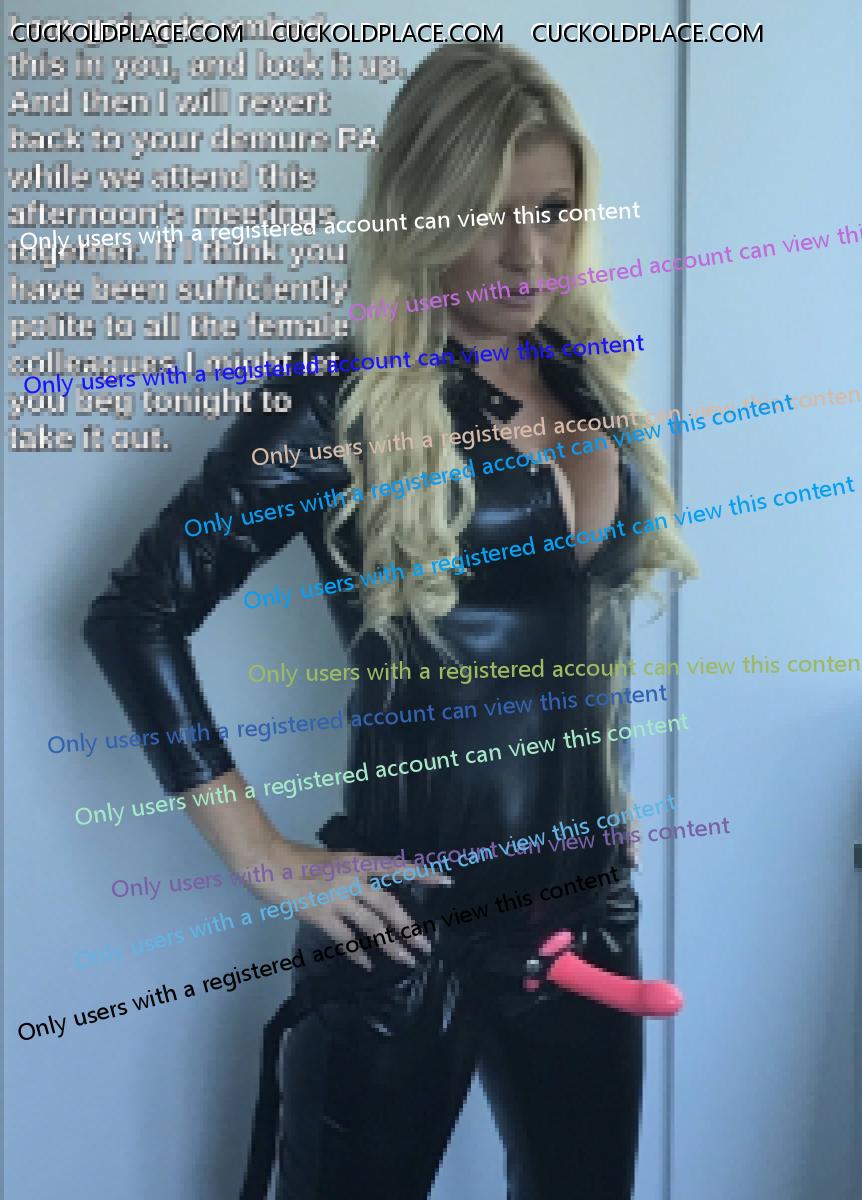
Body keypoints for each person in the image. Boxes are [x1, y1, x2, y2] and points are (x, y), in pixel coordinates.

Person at [85, 41, 695, 1200]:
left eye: (553, 211)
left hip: (584, 919)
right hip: (404, 928)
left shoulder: (591, 386)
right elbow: (138, 612)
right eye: (488, 214)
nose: (528, 253)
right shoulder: (336, 403)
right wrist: (261, 853)